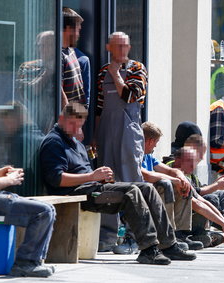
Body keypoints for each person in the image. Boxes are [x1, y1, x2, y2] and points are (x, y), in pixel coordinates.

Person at [39, 102, 195, 265]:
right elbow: (57, 179)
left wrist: (100, 177)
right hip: (78, 194)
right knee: (132, 192)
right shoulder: (54, 142)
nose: (75, 129)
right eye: (71, 124)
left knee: (147, 188)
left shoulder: (75, 142)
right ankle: (148, 249)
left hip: (93, 187)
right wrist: (92, 176)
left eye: (79, 126)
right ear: (61, 118)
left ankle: (168, 244)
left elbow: (86, 174)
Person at [95, 32, 147, 251]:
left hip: (128, 133)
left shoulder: (137, 69)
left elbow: (131, 96)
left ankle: (136, 237)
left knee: (132, 181)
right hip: (107, 131)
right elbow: (98, 107)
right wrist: (95, 136)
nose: (122, 50)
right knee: (107, 182)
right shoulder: (101, 73)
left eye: (125, 46)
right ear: (109, 47)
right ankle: (107, 237)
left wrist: (116, 75)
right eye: (118, 46)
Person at [0, 110, 56, 277]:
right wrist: (9, 180)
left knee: (48, 209)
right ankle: (25, 263)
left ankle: (35, 261)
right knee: (42, 212)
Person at [140, 122, 203, 250]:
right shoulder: (136, 154)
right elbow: (148, 175)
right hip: (143, 194)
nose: (156, 146)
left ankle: (180, 234)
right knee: (166, 184)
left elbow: (170, 171)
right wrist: (175, 180)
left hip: (153, 193)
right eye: (156, 142)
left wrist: (181, 177)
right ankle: (166, 236)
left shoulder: (149, 156)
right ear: (150, 141)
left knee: (184, 185)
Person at [61, 7, 86, 109]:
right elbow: (59, 91)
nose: (78, 35)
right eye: (78, 30)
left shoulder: (71, 50)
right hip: (68, 119)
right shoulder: (59, 55)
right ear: (68, 29)